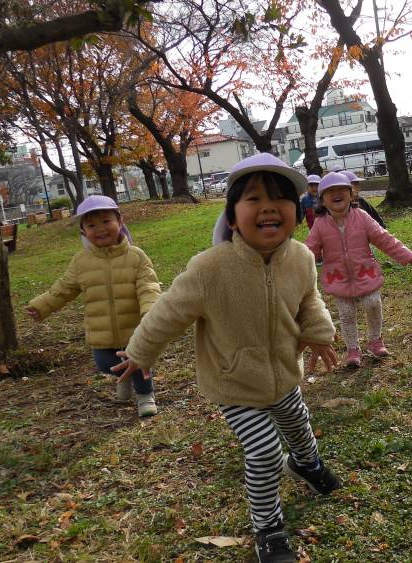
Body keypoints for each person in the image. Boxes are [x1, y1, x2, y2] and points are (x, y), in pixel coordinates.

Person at [113, 153, 340, 563]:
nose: (268, 207)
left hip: (285, 373)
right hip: (234, 384)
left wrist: (320, 333)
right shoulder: (209, 269)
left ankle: (307, 465)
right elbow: (168, 311)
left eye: (280, 199)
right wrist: (140, 352)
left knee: (298, 424)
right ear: (233, 217)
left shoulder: (301, 258)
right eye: (253, 199)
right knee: (266, 453)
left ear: (297, 210)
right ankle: (268, 527)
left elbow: (309, 299)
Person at [26, 195, 161, 417]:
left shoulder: (136, 256)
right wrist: (42, 306)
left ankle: (146, 396)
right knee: (104, 363)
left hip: (133, 328)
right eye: (91, 225)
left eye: (106, 221)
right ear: (83, 232)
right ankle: (123, 377)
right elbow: (64, 288)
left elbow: (149, 287)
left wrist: (150, 313)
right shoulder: (81, 262)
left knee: (138, 361)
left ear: (121, 222)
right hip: (101, 333)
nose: (100, 228)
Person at [306, 172, 412, 368]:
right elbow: (310, 250)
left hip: (365, 273)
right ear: (322, 201)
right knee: (346, 313)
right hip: (338, 278)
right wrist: (297, 266)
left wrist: (406, 255)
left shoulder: (362, 217)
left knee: (373, 303)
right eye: (330, 192)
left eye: (341, 190)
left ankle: (375, 340)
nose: (336, 194)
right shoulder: (320, 224)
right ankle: (353, 349)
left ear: (351, 195)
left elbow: (384, 238)